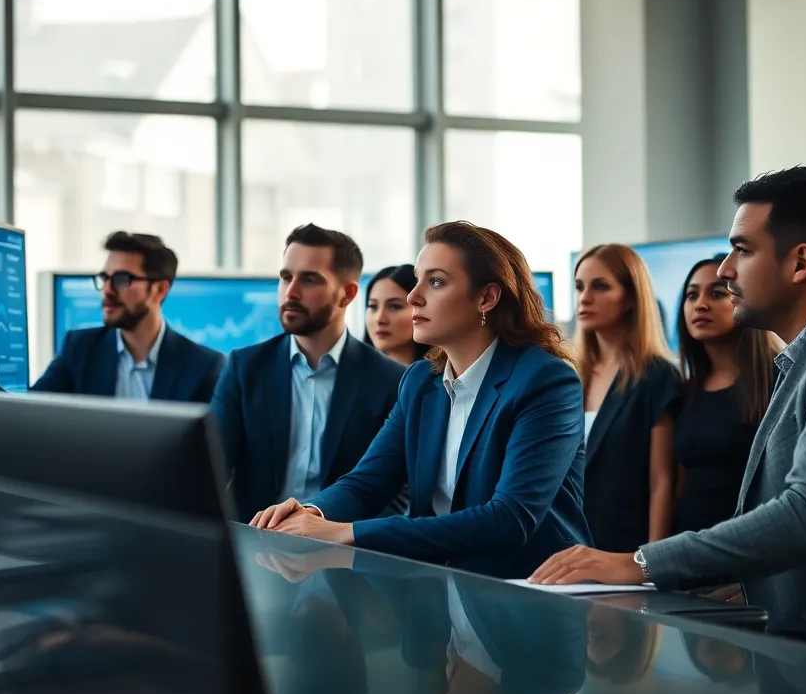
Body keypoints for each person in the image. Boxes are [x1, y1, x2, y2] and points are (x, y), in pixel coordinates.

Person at [531, 167, 806, 664]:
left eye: (743, 249)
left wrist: (640, 562)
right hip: (800, 632)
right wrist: (743, 581)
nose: (724, 271)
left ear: (800, 263)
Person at [250, 220, 594, 580]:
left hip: (529, 597)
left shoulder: (546, 381)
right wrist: (312, 513)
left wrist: (345, 532)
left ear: (487, 298)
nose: (414, 296)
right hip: (438, 592)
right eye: (417, 280)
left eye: (435, 282)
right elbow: (368, 480)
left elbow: (509, 519)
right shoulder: (419, 382)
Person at [211, 224, 405, 523]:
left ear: (348, 293)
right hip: (256, 540)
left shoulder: (390, 379)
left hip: (343, 548)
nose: (291, 292)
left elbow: (398, 488)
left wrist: (344, 537)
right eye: (286, 277)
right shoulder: (244, 367)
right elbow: (210, 465)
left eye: (309, 279)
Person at [0, 231, 225, 402]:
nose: (107, 290)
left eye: (122, 279)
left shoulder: (204, 367)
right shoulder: (80, 349)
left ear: (159, 289)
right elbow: (26, 418)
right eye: (104, 278)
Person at [572, 244, 680, 552]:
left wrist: (652, 562)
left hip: (624, 547)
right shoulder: (572, 374)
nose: (585, 297)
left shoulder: (657, 376)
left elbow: (662, 482)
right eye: (579, 286)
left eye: (600, 286)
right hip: (567, 545)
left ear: (632, 298)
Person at [671, 255, 780, 533]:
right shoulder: (684, 391)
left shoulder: (779, 378)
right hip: (686, 556)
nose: (700, 304)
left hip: (750, 555)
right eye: (691, 295)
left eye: (718, 293)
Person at [363, 264, 430, 365]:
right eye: (373, 306)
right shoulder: (349, 375)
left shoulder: (449, 377)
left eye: (395, 306)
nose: (379, 319)